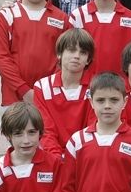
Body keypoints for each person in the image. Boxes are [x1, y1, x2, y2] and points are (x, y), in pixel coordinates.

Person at [0, 0, 71, 106]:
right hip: (14, 98)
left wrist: (46, 90)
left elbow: (64, 60)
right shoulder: (7, 15)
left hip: (49, 97)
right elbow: (1, 58)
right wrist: (24, 91)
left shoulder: (62, 19)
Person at [33, 28, 95, 159]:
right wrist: (57, 158)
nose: (77, 56)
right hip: (52, 156)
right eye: (71, 50)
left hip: (86, 156)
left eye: (83, 52)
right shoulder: (42, 87)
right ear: (59, 54)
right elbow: (46, 130)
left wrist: (77, 158)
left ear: (88, 60)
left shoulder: (96, 87)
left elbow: (93, 129)